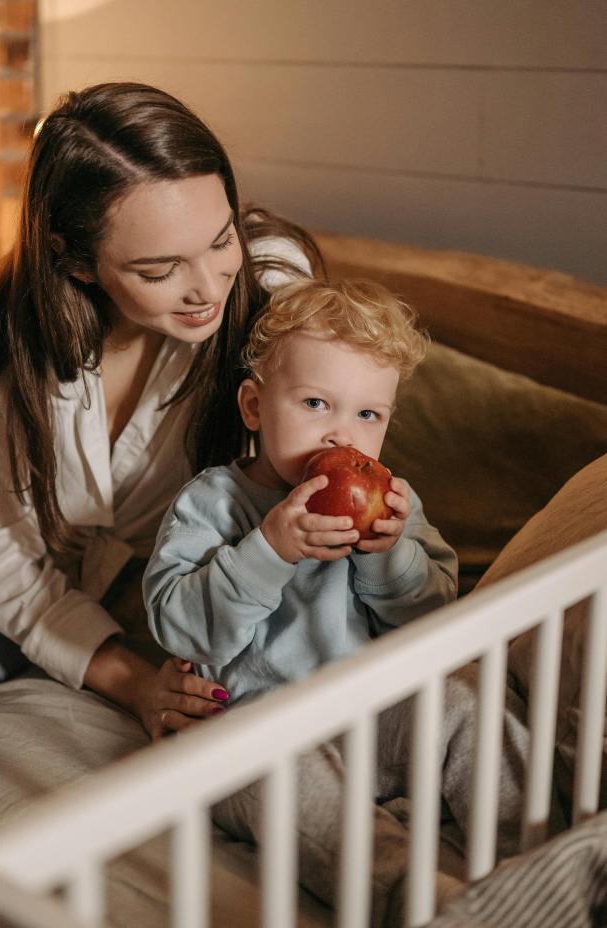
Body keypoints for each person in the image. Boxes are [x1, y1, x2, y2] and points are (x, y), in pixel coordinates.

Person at [0, 81, 322, 736]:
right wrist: (138, 686)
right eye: (160, 270)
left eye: (221, 239)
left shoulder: (269, 287)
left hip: (51, 555)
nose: (208, 288)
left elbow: (339, 425)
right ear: (76, 262)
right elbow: (2, 557)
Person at [143, 278, 543, 924]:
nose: (342, 438)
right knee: (284, 784)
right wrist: (269, 551)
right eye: (315, 403)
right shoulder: (213, 504)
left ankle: (541, 847)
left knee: (463, 699)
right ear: (254, 406)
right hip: (259, 732)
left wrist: (388, 555)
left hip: (371, 713)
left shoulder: (391, 505)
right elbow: (179, 626)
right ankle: (416, 898)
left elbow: (435, 621)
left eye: (368, 416)